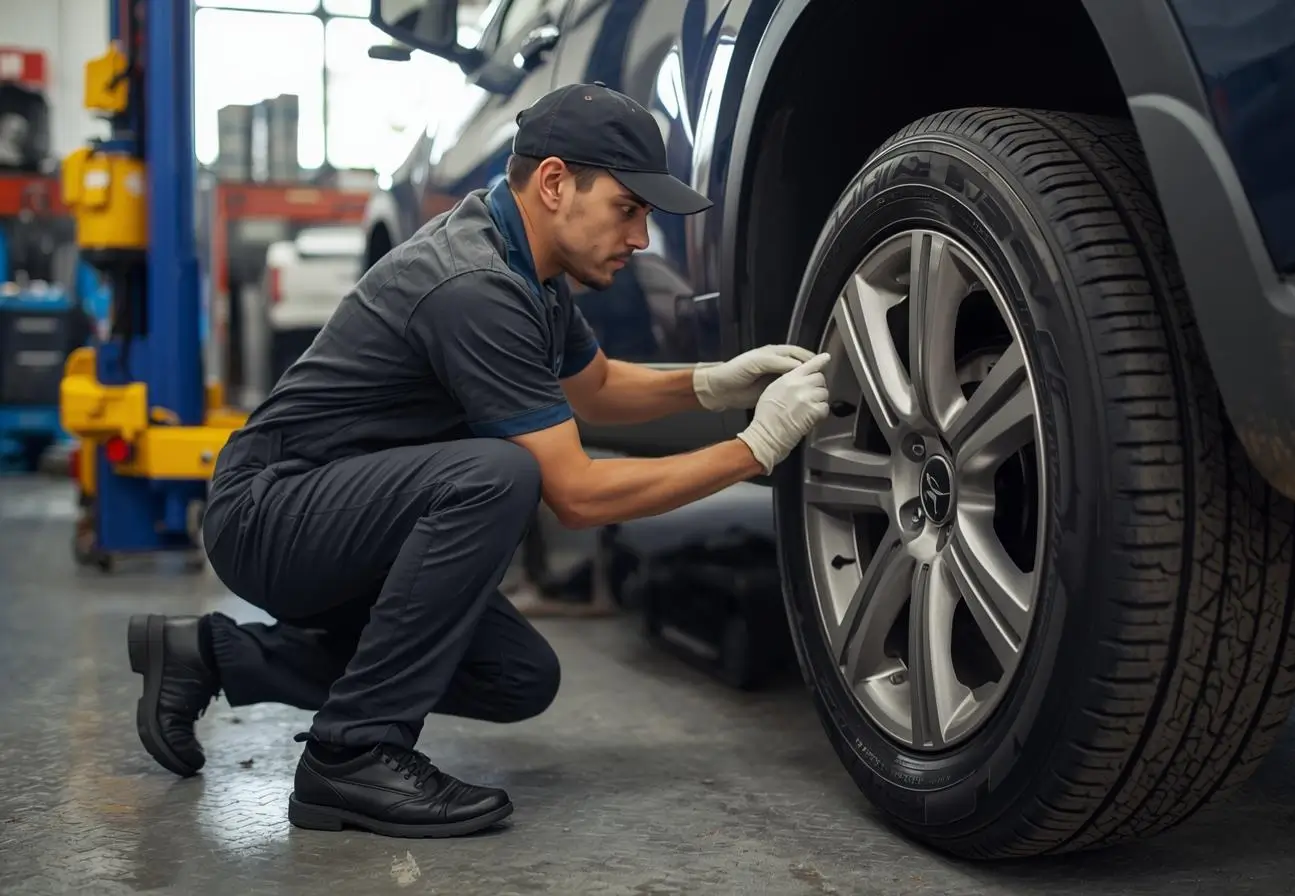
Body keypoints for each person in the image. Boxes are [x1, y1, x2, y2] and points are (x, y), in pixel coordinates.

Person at [124, 82, 831, 839]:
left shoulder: (528, 268)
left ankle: (210, 655)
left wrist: (712, 383)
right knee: (503, 474)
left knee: (518, 676)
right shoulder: (476, 285)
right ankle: (351, 754)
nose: (640, 237)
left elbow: (591, 388)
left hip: (341, 515)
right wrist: (752, 450)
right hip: (270, 513)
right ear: (557, 183)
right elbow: (579, 495)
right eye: (629, 209)